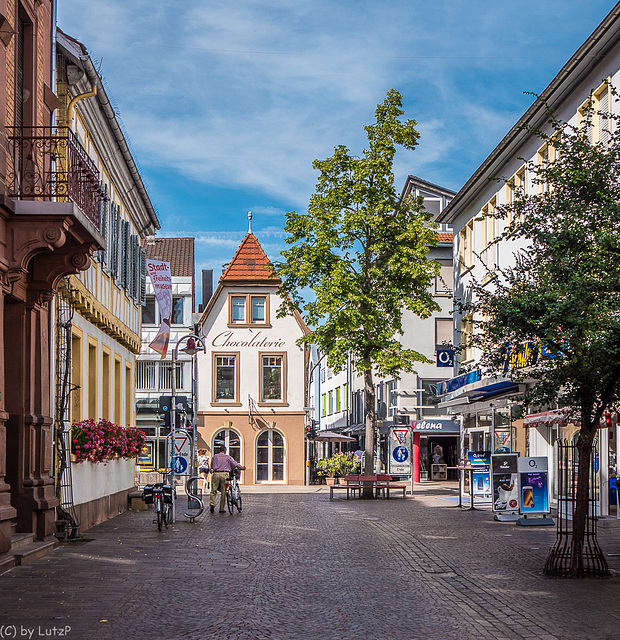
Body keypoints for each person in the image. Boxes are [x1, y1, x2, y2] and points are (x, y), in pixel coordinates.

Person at [209, 445, 246, 513]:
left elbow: (211, 466)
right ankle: (221, 509)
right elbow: (235, 464)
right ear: (225, 450)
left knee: (213, 490)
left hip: (215, 474)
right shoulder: (227, 457)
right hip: (224, 474)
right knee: (224, 492)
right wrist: (242, 467)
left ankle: (212, 504)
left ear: (219, 450)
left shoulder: (214, 457)